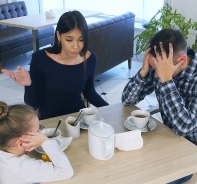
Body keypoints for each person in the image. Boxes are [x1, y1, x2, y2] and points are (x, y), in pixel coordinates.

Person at [122, 28, 197, 183]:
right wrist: (143, 71)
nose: (155, 75)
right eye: (154, 68)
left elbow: (184, 127)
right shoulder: (160, 67)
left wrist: (167, 80)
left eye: (158, 70)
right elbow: (127, 100)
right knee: (125, 167)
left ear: (182, 60)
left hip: (191, 151)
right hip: (167, 140)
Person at [2, 10, 108, 120]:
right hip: (50, 121)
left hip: (77, 119)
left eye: (81, 40)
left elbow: (89, 92)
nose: (76, 46)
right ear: (58, 35)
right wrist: (28, 84)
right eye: (69, 40)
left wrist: (112, 109)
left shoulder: (89, 58)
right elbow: (33, 104)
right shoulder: (40, 59)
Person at [0, 101, 74, 184]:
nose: (40, 133)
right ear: (21, 143)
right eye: (37, 132)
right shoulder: (22, 167)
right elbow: (65, 171)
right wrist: (44, 141)